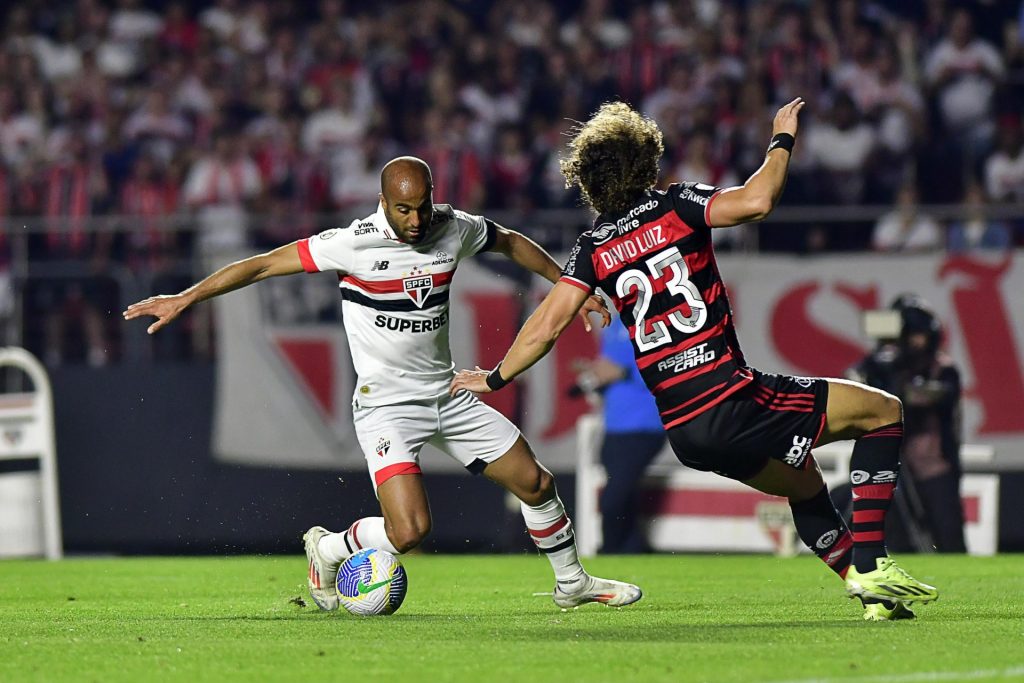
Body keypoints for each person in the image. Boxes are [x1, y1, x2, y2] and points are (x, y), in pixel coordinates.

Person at [450, 100, 939, 621]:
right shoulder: (676, 205)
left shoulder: (592, 247)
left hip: (686, 430)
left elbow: (547, 324)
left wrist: (496, 375)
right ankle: (873, 562)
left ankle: (870, 596)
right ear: (645, 161)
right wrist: (781, 140)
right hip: (731, 395)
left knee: (805, 484)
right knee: (884, 411)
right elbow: (757, 202)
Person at [123, 156, 641, 612]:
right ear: (383, 203)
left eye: (423, 207)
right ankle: (326, 549)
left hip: (447, 393)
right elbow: (261, 265)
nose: (416, 221)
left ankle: (572, 584)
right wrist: (185, 297)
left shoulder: (452, 227)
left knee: (538, 483)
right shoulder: (353, 243)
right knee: (411, 532)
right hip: (387, 407)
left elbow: (508, 241)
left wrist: (570, 288)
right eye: (403, 210)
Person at [847, 295, 966, 553]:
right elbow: (854, 382)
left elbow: (931, 397)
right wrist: (878, 369)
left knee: (947, 533)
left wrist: (900, 383)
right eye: (909, 335)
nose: (913, 342)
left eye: (918, 335)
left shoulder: (942, 367)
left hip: (934, 465)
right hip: (894, 462)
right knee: (896, 532)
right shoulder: (883, 364)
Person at [572, 320, 665, 553]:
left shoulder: (659, 318)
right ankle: (632, 549)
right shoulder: (613, 324)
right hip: (614, 426)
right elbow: (609, 369)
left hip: (644, 426)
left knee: (613, 497)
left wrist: (623, 372)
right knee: (623, 493)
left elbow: (670, 368)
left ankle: (610, 552)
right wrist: (596, 373)